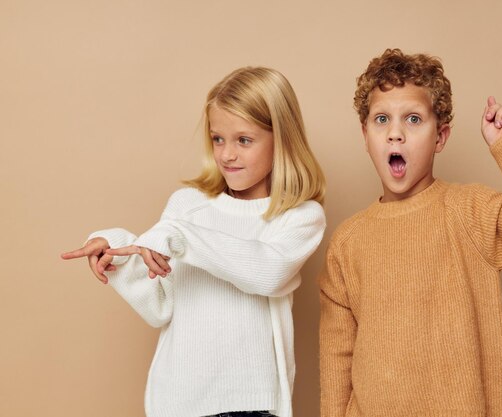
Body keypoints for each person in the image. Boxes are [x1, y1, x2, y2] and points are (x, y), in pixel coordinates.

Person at [318, 49, 502, 417]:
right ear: (365, 135)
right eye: (381, 119)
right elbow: (337, 357)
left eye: (412, 119)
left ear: (440, 137)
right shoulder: (347, 241)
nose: (395, 134)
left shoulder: (469, 211)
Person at [62, 67, 326, 417]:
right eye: (218, 139)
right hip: (180, 401)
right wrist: (120, 255)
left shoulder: (298, 215)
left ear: (282, 138)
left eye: (243, 140)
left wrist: (181, 237)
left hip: (252, 404)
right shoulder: (187, 206)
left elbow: (268, 271)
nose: (227, 154)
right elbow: (160, 307)